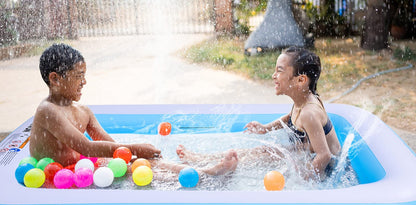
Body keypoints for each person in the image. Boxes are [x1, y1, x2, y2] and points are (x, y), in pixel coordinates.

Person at [30, 43, 237, 177]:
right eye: (78, 76)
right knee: (137, 160)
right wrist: (136, 148)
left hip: (81, 170)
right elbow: (85, 147)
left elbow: (111, 144)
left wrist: (134, 155)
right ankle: (203, 173)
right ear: (55, 79)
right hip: (54, 174)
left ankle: (201, 171)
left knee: (143, 162)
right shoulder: (47, 111)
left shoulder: (84, 111)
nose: (84, 82)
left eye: (85, 75)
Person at [177, 46, 341, 180]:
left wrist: (302, 181)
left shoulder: (309, 113)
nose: (273, 75)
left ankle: (213, 166)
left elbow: (325, 156)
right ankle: (200, 158)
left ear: (300, 80)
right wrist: (266, 128)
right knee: (261, 151)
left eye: (280, 71)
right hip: (304, 151)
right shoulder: (302, 102)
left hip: (327, 169)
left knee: (262, 157)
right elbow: (291, 118)